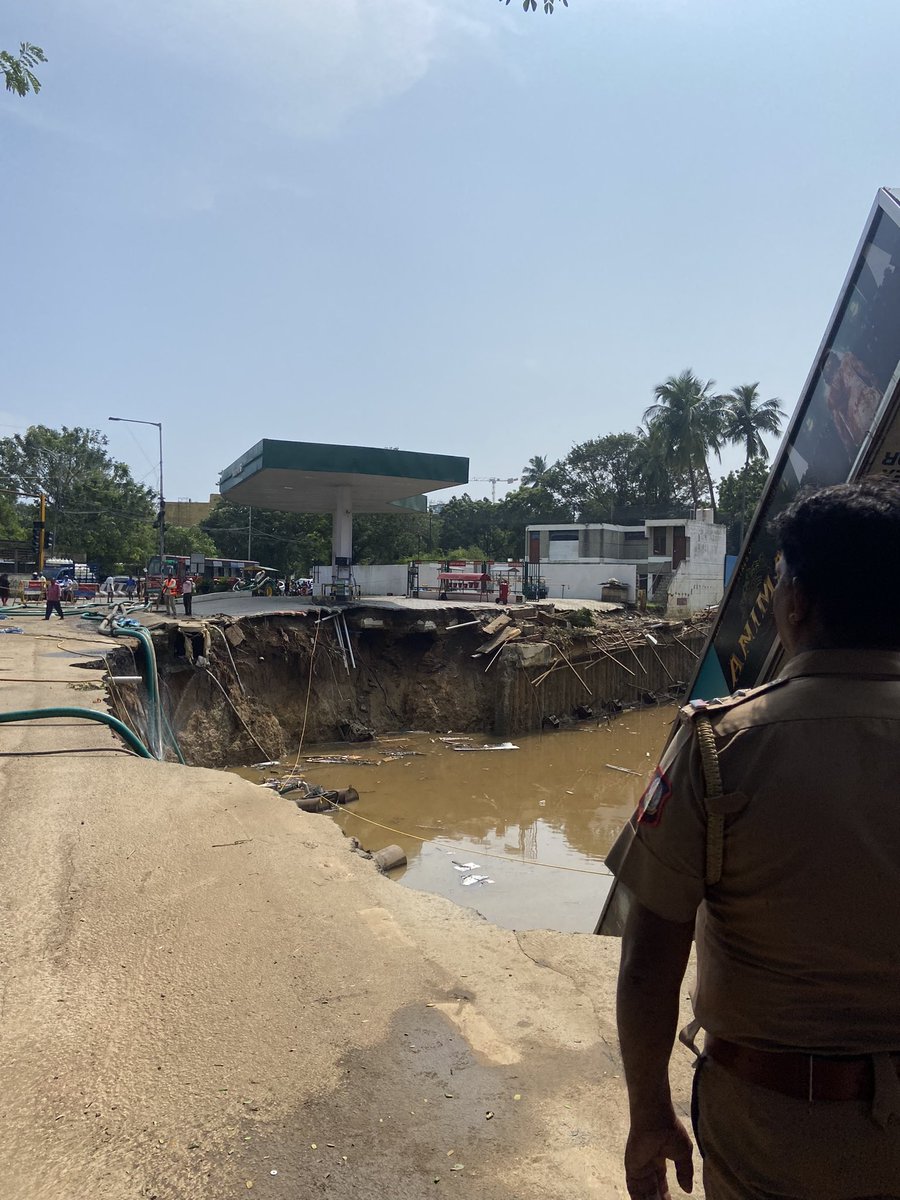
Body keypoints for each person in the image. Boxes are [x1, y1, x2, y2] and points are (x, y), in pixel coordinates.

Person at [606, 478, 900, 1200]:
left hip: (772, 1132)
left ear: (792, 604)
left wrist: (650, 1116)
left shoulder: (718, 746)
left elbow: (650, 960)